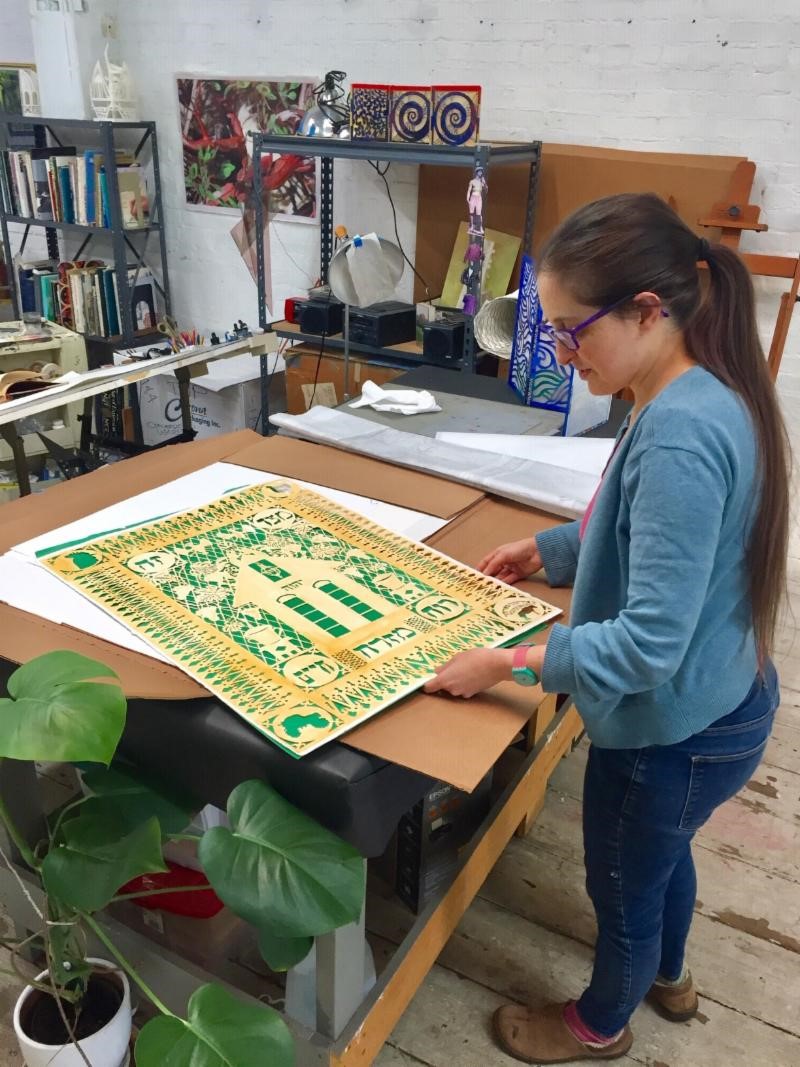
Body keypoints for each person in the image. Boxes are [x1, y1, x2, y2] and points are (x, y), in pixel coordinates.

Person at [425, 193, 789, 1063]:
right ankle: (670, 975)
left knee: (623, 881)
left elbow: (649, 642)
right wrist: (547, 549)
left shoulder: (679, 435)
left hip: (672, 726)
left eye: (569, 329)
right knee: (662, 857)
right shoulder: (688, 388)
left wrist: (512, 661)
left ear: (648, 310)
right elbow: (634, 532)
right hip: (721, 697)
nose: (557, 349)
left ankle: (599, 1023)